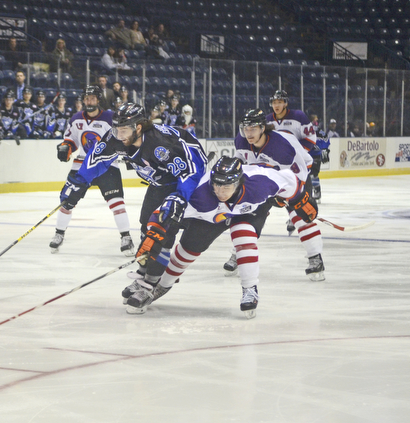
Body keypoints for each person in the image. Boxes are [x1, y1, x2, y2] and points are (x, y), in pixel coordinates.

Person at [126, 156, 317, 317]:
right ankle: (163, 285)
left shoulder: (261, 183)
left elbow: (291, 182)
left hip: (250, 210)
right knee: (188, 249)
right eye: (216, 185)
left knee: (245, 238)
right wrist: (155, 234)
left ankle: (250, 290)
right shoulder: (200, 195)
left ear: (239, 182)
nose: (220, 191)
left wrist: (301, 200)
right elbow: (165, 211)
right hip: (212, 216)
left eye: (226, 187)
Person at [63, 103, 206, 308]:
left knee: (161, 228)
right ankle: (144, 271)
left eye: (124, 130)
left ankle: (150, 283)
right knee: (145, 225)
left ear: (138, 127)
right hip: (159, 182)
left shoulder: (161, 146)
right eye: (116, 129)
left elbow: (192, 171)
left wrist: (181, 198)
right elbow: (97, 158)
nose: (119, 135)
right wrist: (79, 183)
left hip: (184, 183)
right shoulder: (119, 137)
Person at [226, 108, 325, 281]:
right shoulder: (241, 141)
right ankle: (238, 253)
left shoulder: (282, 145)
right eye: (245, 129)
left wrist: (292, 197)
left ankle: (315, 258)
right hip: (264, 183)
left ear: (263, 128)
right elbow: (241, 161)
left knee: (300, 215)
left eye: (253, 129)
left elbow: (303, 169)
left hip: (293, 180)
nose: (248, 134)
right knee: (244, 215)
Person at [51, 85, 134, 256]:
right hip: (81, 165)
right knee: (67, 201)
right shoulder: (75, 119)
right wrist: (66, 147)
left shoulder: (110, 118)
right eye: (86, 98)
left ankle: (126, 237)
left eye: (92, 98)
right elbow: (71, 139)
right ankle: (59, 234)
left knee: (116, 202)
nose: (89, 101)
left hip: (106, 165)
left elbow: (123, 137)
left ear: (98, 100)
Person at [268, 90, 322, 212]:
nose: (276, 105)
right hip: (278, 164)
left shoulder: (298, 116)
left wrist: (296, 154)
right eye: (274, 102)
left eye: (280, 102)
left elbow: (310, 138)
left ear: (285, 103)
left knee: (302, 192)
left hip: (298, 164)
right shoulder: (267, 120)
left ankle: (301, 214)